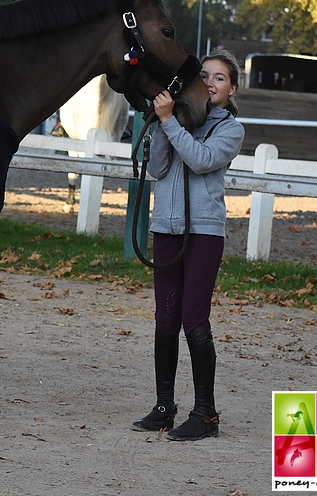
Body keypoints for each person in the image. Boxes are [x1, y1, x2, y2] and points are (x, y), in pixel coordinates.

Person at [132, 49, 245, 441]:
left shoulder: (230, 129)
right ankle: (165, 406)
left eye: (219, 78)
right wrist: (168, 122)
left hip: (203, 233)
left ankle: (206, 413)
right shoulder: (180, 117)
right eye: (205, 76)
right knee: (165, 319)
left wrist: (170, 123)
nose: (210, 83)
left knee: (194, 319)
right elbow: (160, 168)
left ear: (231, 89)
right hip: (166, 227)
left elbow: (200, 160)